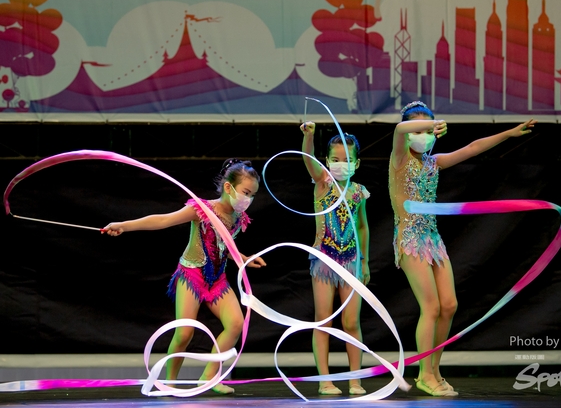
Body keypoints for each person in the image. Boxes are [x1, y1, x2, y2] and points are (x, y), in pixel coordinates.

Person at [389, 101, 536, 396]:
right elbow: (399, 128)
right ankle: (423, 374)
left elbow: (472, 148)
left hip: (433, 239)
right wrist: (429, 124)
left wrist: (508, 134)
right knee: (430, 307)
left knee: (449, 305)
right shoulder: (399, 159)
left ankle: (434, 369)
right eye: (418, 130)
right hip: (410, 240)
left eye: (428, 131)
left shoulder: (434, 163)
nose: (423, 135)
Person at [103, 158, 266, 394]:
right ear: (229, 187)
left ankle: (209, 377)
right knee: (184, 333)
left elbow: (223, 246)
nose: (248, 199)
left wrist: (243, 258)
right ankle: (169, 382)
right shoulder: (202, 209)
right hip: (192, 275)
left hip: (217, 279)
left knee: (235, 324)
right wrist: (124, 225)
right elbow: (163, 220)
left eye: (252, 195)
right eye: (246, 193)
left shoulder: (238, 218)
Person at [300, 122, 370, 396]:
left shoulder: (358, 192)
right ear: (327, 161)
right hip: (324, 261)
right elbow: (308, 159)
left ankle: (355, 380)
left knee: (351, 323)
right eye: (336, 159)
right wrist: (309, 137)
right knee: (323, 320)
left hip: (351, 261)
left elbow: (362, 227)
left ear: (357, 163)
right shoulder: (322, 183)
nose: (342, 164)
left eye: (348, 159)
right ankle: (325, 380)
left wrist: (364, 261)